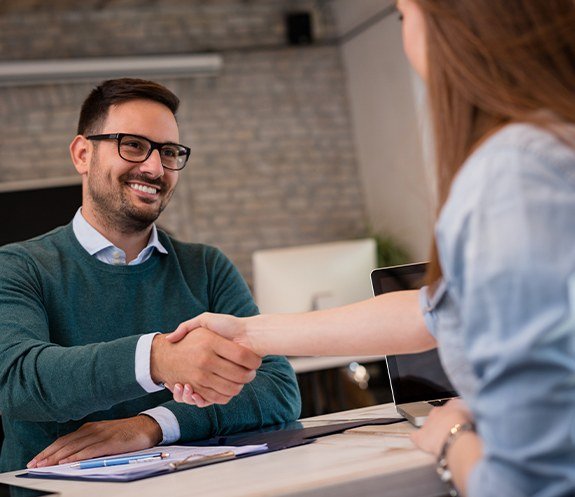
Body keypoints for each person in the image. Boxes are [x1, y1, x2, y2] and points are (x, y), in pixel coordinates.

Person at [165, 1, 575, 496]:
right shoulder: (548, 150)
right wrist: (249, 333)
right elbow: (435, 312)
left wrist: (452, 435)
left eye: (404, 16)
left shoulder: (514, 171)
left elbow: (524, 485)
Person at [0, 78, 301, 472]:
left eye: (169, 151)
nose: (155, 167)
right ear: (82, 155)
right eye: (133, 145)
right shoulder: (18, 266)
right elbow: (17, 381)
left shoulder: (206, 267)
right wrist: (157, 358)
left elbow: (277, 388)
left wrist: (153, 426)